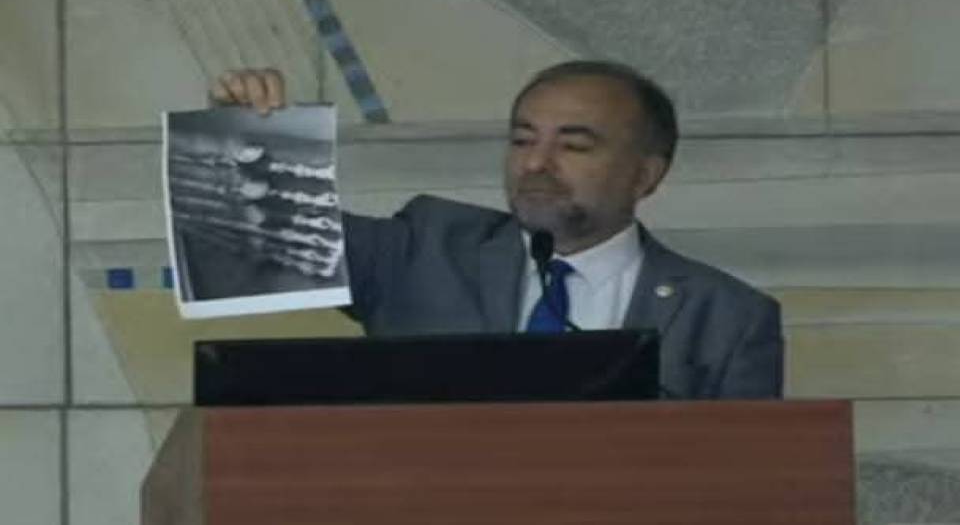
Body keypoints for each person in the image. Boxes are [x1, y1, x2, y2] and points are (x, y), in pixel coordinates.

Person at [210, 60, 783, 399]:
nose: (535, 163)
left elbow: (756, 488)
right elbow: (253, 241)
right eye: (522, 139)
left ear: (645, 175)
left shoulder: (727, 317)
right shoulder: (422, 250)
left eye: (574, 146)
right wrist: (244, 133)